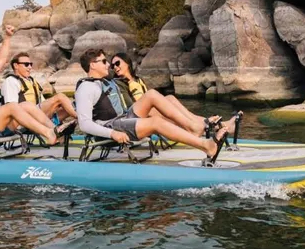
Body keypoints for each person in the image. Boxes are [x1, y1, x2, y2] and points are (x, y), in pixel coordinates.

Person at [74, 48, 228, 164]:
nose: (108, 65)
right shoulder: (86, 88)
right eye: (103, 61)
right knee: (156, 122)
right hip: (110, 127)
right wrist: (112, 134)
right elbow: (85, 124)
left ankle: (193, 128)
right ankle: (206, 146)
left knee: (152, 94)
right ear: (92, 65)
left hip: (121, 119)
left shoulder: (104, 82)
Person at [110, 51, 241, 135]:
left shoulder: (138, 80)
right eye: (112, 66)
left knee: (171, 98)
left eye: (117, 63)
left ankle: (208, 124)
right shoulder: (119, 83)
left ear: (127, 63)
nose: (115, 67)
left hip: (148, 112)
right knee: (165, 107)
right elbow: (128, 105)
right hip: (136, 117)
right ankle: (209, 126)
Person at [0, 52, 77, 124]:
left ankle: (55, 125)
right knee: (60, 97)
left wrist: (55, 106)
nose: (30, 67)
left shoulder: (32, 81)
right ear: (16, 65)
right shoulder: (11, 81)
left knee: (72, 106)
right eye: (26, 64)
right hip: (24, 119)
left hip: (38, 115)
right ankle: (80, 119)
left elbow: (42, 102)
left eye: (30, 64)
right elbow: (11, 108)